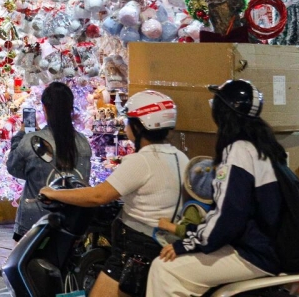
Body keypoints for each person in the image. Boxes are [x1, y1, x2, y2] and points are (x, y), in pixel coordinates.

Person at [41, 90, 187, 297]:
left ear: (139, 126)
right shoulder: (180, 157)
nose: (126, 126)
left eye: (129, 121)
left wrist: (54, 193)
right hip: (162, 244)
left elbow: (98, 196)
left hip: (135, 252)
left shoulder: (141, 161)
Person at [147, 80, 283, 297]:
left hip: (253, 253)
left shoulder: (238, 151)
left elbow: (229, 216)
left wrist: (187, 244)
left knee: (164, 268)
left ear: (224, 112)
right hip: (265, 247)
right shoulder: (264, 145)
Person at [6, 81, 93, 241]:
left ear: (45, 108)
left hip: (34, 223)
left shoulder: (32, 141)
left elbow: (13, 167)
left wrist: (20, 135)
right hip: (72, 223)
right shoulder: (83, 143)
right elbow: (82, 179)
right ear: (71, 109)